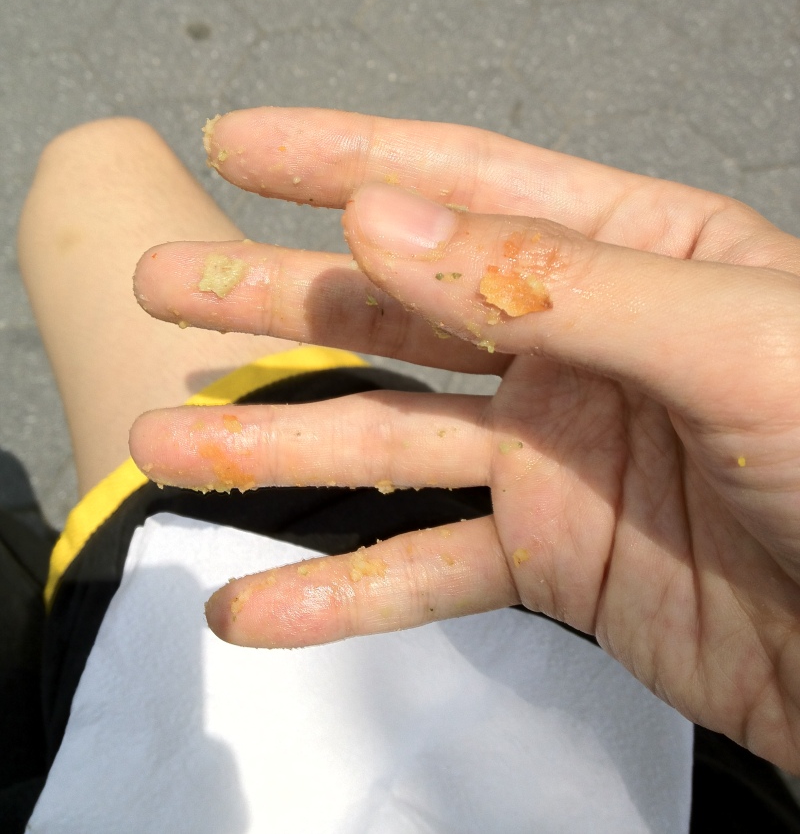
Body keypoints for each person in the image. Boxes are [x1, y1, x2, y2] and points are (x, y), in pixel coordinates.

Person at [5, 108, 800, 831]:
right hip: (660, 705)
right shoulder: (721, 617)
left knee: (97, 163)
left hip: (160, 710)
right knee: (101, 166)